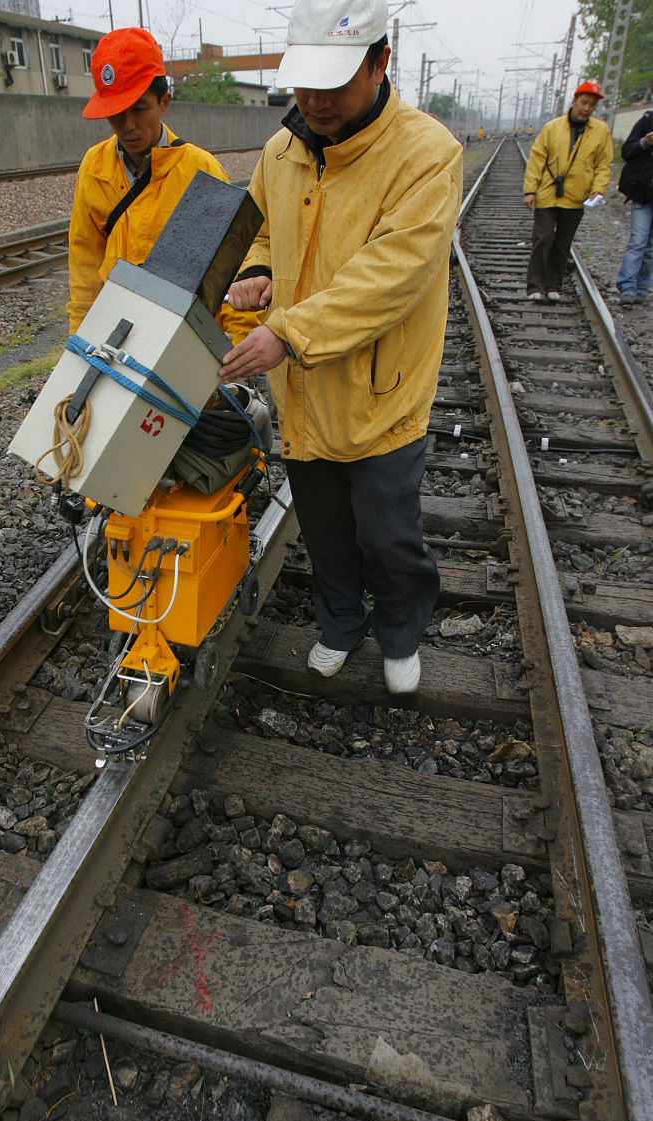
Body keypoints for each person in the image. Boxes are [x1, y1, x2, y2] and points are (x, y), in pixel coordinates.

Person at [219, 0, 462, 695]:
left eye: (335, 80)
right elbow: (261, 230)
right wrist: (256, 269)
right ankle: (339, 625)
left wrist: (287, 332)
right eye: (305, 83)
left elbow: (391, 277)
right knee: (323, 530)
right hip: (300, 388)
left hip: (382, 391)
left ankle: (400, 631)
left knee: (389, 534)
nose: (316, 101)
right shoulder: (280, 151)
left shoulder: (426, 154)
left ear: (380, 62)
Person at [67, 26, 255, 344]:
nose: (127, 126)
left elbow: (231, 272)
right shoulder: (94, 167)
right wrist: (79, 344)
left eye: (139, 109)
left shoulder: (200, 169)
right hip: (118, 338)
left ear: (164, 102)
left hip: (184, 340)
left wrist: (238, 346)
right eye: (115, 114)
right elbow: (84, 267)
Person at [522, 80, 613, 301]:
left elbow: (603, 164)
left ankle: (554, 286)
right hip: (547, 193)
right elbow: (537, 158)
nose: (586, 108)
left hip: (575, 196)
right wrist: (530, 189)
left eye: (592, 105)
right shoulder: (552, 128)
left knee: (562, 244)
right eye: (583, 102)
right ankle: (535, 286)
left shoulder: (600, 131)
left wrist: (598, 188)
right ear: (574, 101)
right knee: (543, 238)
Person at [615, 108, 653, 305]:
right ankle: (627, 287)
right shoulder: (646, 121)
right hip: (643, 194)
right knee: (638, 241)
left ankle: (642, 288)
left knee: (650, 246)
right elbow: (627, 152)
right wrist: (644, 143)